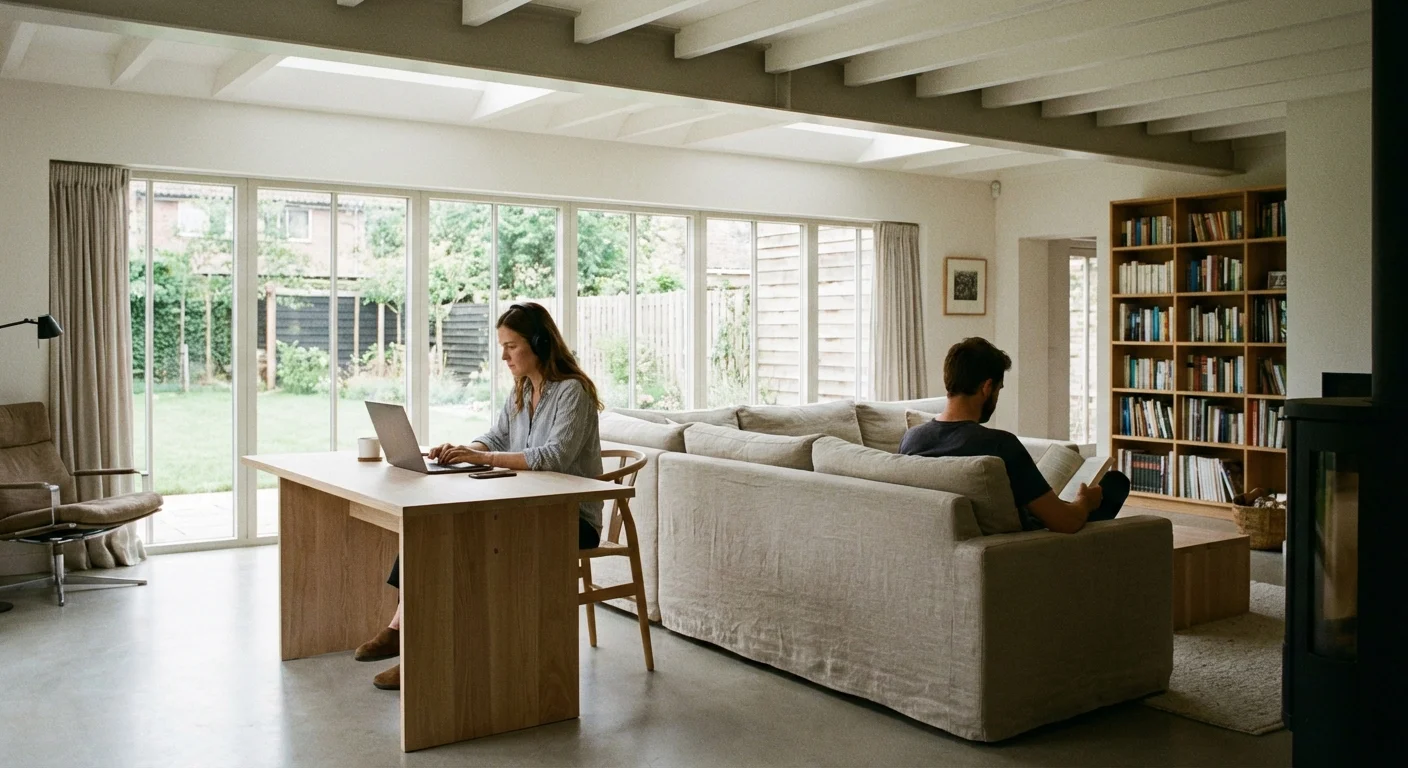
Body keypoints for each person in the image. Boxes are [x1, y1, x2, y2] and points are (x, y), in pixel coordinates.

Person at [353, 301, 605, 690]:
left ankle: (415, 648)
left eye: (512, 346)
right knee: (431, 527)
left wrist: (482, 456)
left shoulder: (573, 392)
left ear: (540, 343)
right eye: (501, 346)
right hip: (522, 507)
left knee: (457, 543)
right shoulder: (521, 390)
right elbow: (496, 437)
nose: (504, 355)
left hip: (568, 518)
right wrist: (462, 450)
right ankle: (403, 632)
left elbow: (553, 457)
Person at [899, 337, 1129, 534]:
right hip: (1030, 546)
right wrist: (1085, 503)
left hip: (952, 541)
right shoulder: (1000, 445)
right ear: (986, 387)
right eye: (999, 389)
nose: (996, 397)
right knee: (1115, 484)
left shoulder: (912, 439)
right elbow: (1066, 522)